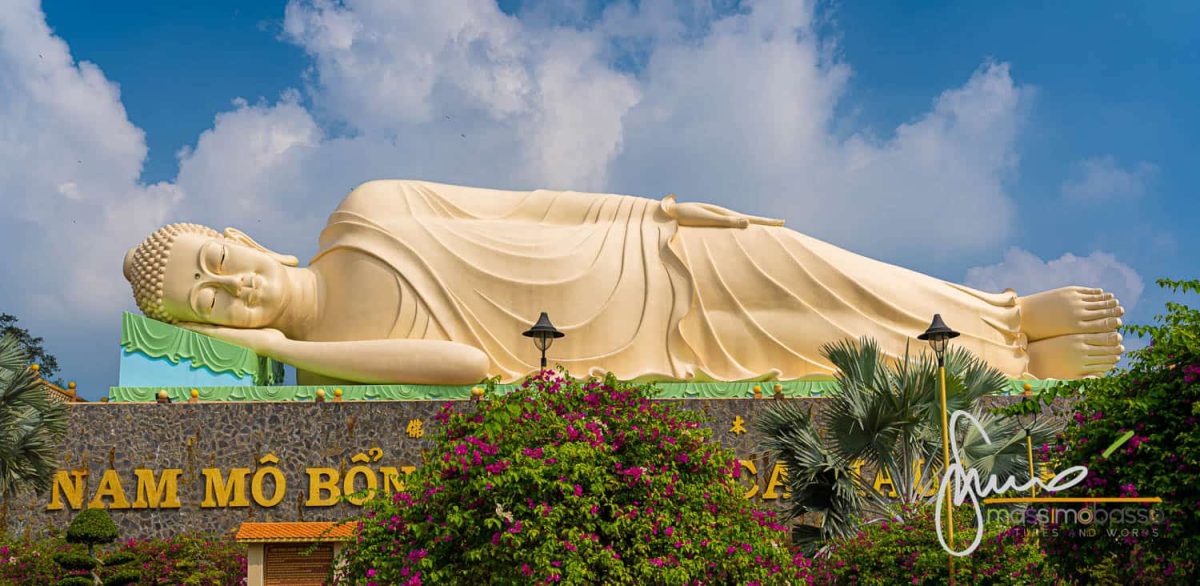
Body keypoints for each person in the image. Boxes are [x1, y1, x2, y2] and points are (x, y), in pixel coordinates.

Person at [123, 180, 1124, 385]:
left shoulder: (367, 207)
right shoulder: (332, 351)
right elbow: (466, 363)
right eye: (203, 305)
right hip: (634, 345)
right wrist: (280, 347)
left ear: (243, 233)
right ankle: (1007, 363)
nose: (229, 289)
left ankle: (1001, 313)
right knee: (817, 342)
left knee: (822, 267)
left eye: (218, 262)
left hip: (637, 254)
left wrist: (653, 213)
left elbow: (527, 208)